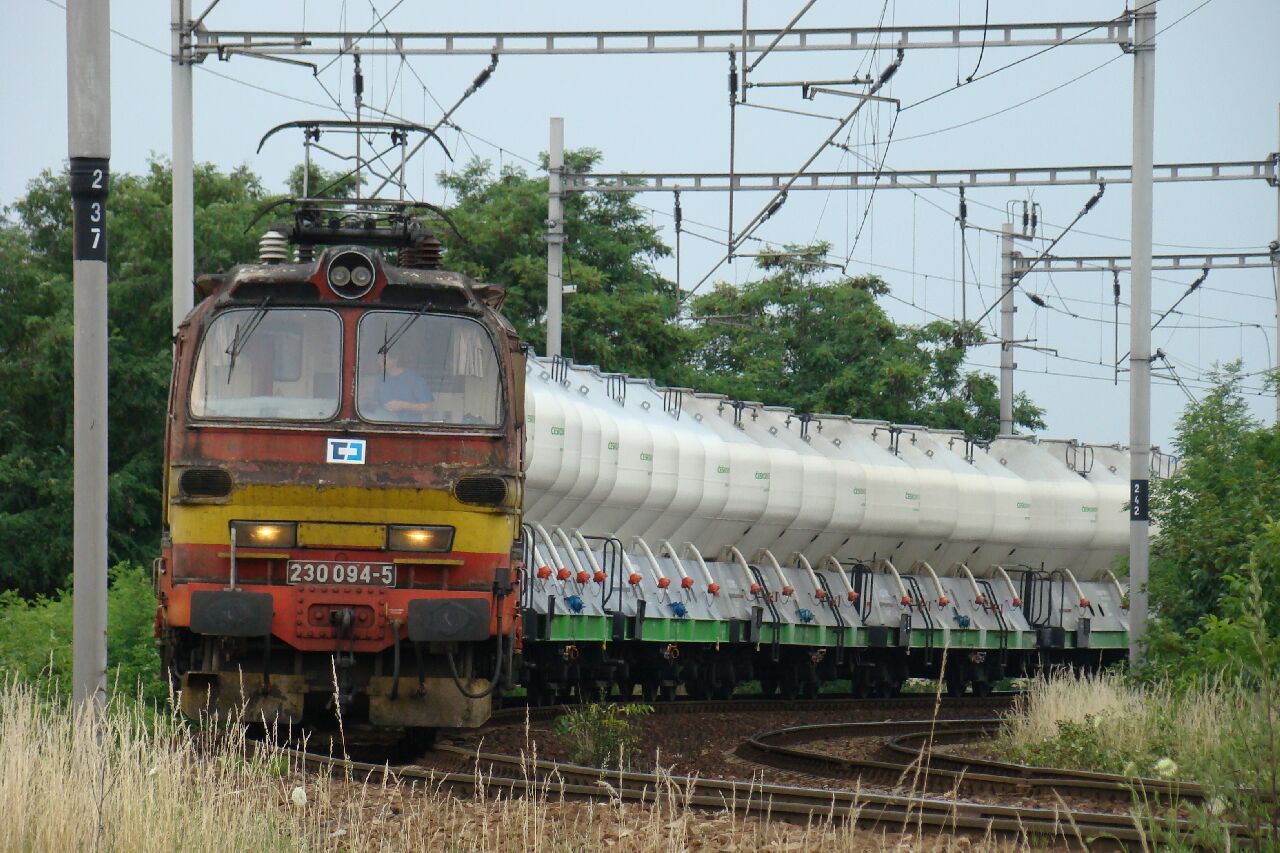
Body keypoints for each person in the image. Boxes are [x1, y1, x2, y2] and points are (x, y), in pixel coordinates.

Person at [374, 351, 434, 421]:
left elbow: (428, 407)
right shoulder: (380, 380)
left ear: (395, 359)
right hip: (384, 426)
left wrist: (403, 405)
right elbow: (377, 404)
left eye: (383, 359)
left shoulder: (413, 379)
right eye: (378, 359)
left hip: (408, 427)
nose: (379, 362)